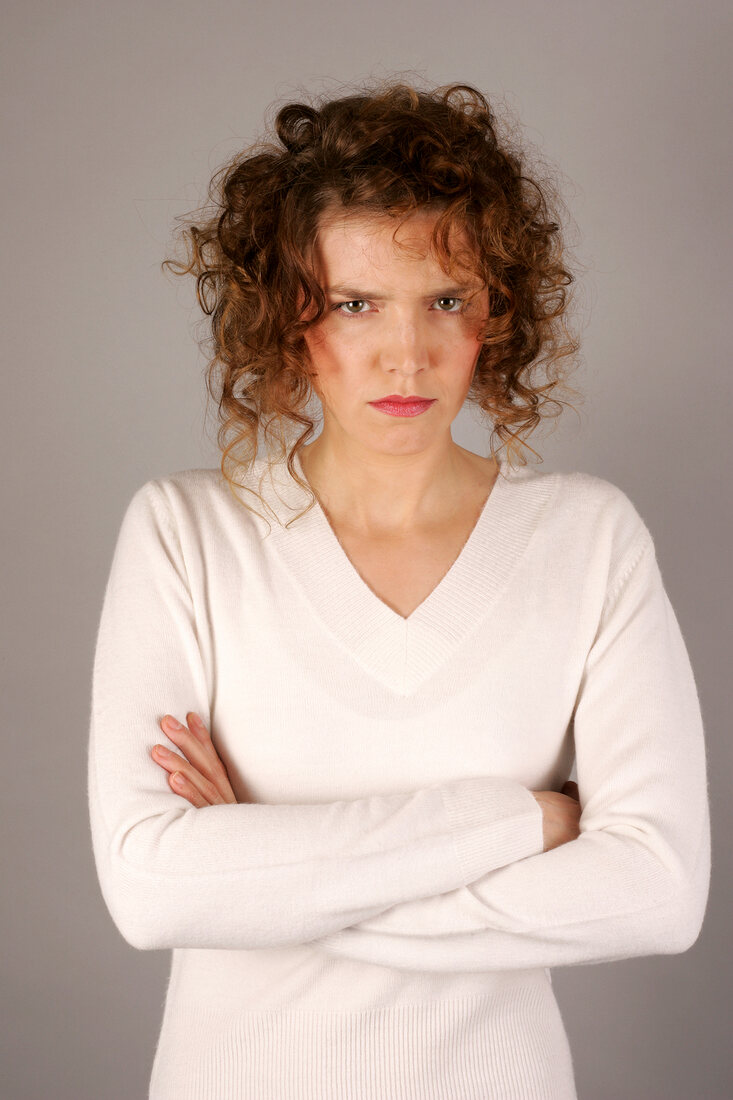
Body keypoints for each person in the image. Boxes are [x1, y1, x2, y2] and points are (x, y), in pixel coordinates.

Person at [87, 81, 711, 1100]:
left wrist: (269, 879)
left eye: (446, 301)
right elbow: (155, 890)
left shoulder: (587, 538)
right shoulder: (185, 533)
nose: (406, 353)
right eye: (355, 303)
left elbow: (657, 893)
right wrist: (533, 822)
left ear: (497, 312)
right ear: (288, 318)